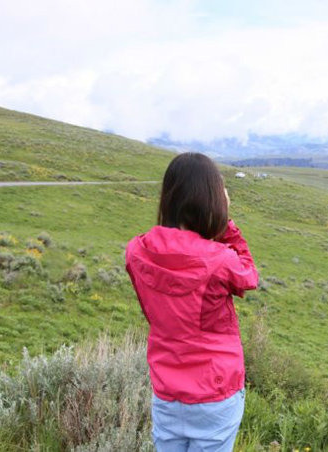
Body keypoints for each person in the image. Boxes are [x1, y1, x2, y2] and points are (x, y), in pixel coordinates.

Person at [125, 152, 258, 452]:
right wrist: (226, 224)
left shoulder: (136, 251)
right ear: (212, 200)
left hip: (167, 388)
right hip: (215, 390)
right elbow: (249, 275)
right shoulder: (219, 259)